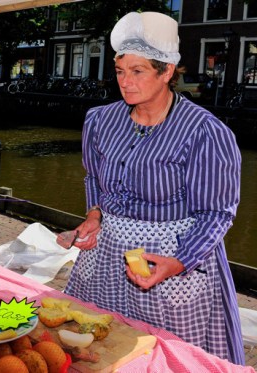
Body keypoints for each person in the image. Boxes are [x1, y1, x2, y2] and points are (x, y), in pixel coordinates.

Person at [57, 12, 245, 365]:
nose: (125, 82)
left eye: (138, 71)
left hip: (168, 262)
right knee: (98, 350)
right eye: (120, 71)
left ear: (167, 72)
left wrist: (178, 262)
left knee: (163, 358)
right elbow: (94, 180)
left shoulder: (205, 132)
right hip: (105, 260)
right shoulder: (100, 120)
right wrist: (94, 215)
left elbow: (216, 214)